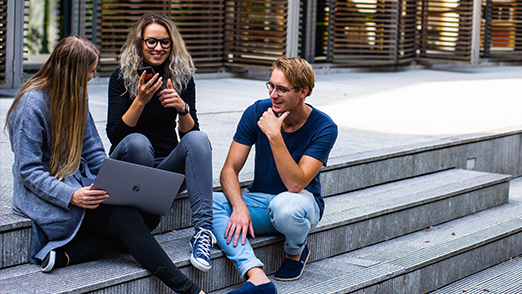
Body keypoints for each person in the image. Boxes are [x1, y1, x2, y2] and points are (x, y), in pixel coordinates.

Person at [5, 35, 205, 294]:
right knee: (128, 220)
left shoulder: (76, 96)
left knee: (149, 216)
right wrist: (72, 195)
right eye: (90, 70)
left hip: (81, 187)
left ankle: (70, 254)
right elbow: (29, 172)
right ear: (72, 72)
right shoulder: (30, 105)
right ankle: (190, 290)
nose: (92, 75)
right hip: (50, 198)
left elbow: (95, 153)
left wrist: (119, 181)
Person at [212, 56, 338, 293]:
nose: (273, 94)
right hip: (260, 200)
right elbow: (229, 170)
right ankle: (255, 275)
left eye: (281, 89)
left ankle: (296, 251)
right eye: (271, 86)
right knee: (211, 202)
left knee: (285, 206)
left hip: (300, 203)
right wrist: (238, 207)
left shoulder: (324, 127)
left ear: (303, 92)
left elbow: (296, 183)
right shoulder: (258, 111)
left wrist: (275, 135)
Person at [106, 12, 215, 272]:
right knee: (138, 143)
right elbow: (115, 135)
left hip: (165, 171)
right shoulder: (121, 78)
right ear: (140, 43)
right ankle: (135, 222)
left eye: (165, 42)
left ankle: (203, 233)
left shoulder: (182, 77)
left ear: (173, 44)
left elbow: (191, 137)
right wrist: (140, 100)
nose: (158, 48)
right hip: (130, 166)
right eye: (151, 41)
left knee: (199, 139)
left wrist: (182, 108)